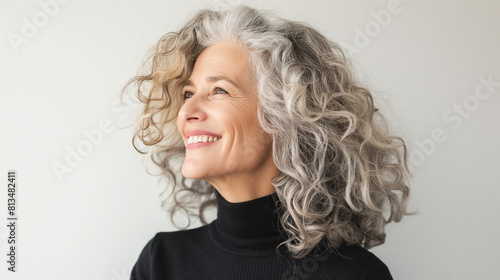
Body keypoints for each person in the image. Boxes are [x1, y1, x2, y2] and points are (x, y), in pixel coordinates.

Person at [125, 5, 411, 280]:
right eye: (188, 93)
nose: (186, 112)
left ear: (286, 115)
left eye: (219, 90)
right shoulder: (160, 262)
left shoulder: (355, 275)